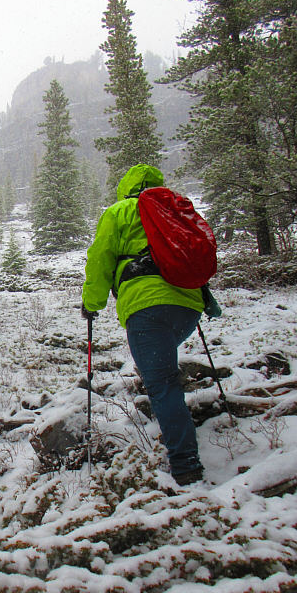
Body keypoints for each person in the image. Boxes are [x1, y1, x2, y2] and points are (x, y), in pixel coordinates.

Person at [81, 163, 205, 486]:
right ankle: (170, 383)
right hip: (189, 307)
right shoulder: (174, 207)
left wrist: (91, 303)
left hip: (146, 309)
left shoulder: (119, 212)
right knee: (162, 366)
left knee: (161, 383)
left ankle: (185, 463)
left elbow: (100, 260)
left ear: (126, 188)